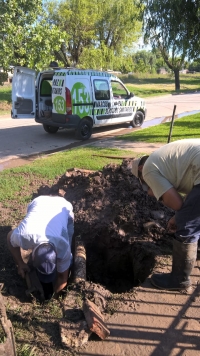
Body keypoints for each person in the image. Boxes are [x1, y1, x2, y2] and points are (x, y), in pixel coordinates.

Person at [131, 138, 200, 291]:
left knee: (187, 228)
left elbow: (177, 203)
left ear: (141, 169)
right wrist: (176, 217)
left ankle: (179, 280)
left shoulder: (149, 169)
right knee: (189, 219)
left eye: (143, 181)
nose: (146, 183)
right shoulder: (164, 161)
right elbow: (190, 201)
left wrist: (156, 193)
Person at [7, 195, 74, 298]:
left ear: (56, 254)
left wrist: (56, 297)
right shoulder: (24, 235)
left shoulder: (63, 247)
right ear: (32, 255)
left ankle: (66, 264)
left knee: (69, 239)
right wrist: (20, 263)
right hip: (38, 202)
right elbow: (9, 237)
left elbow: (62, 277)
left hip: (63, 205)